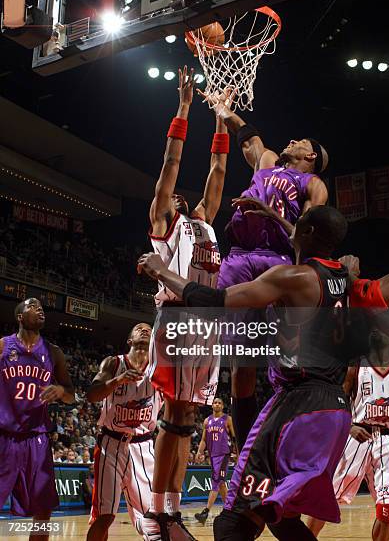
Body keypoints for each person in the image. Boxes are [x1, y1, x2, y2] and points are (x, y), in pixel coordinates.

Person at [139, 205, 353, 540]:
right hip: (336, 409)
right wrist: (271, 212)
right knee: (280, 519)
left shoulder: (292, 279)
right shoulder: (346, 278)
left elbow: (214, 297)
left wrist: (160, 271)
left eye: (296, 224)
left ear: (308, 233)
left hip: (300, 403)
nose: (290, 227)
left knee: (233, 522)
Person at [197, 89, 329, 450]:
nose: (291, 140)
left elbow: (307, 239)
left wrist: (269, 212)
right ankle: (248, 453)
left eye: (300, 141)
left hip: (279, 261)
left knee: (283, 366)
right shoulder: (268, 161)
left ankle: (286, 442)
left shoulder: (312, 185)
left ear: (311, 156)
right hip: (240, 257)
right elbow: (248, 136)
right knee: (241, 366)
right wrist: (224, 111)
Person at [140, 66, 229, 540]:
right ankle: (157, 514)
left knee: (188, 420)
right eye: (170, 192)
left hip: (207, 326)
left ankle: (171, 510)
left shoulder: (207, 222)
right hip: (176, 321)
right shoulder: (163, 222)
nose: (175, 192)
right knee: (173, 417)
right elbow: (170, 165)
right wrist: (184, 107)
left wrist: (220, 119)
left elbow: (217, 170)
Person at [307, 328, 389, 541]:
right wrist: (349, 426)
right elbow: (338, 402)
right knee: (328, 499)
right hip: (357, 437)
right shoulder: (356, 365)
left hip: (388, 440)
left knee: (388, 507)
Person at [0, 298, 75, 541]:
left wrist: (62, 391)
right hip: (4, 435)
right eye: (32, 306)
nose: (40, 308)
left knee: (43, 510)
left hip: (37, 437)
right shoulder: (3, 346)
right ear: (19, 316)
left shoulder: (54, 352)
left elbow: (71, 395)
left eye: (42, 307)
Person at [86, 323, 163, 541]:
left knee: (153, 516)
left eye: (149, 328)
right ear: (129, 340)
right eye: (139, 328)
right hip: (111, 445)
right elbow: (92, 394)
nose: (144, 329)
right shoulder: (113, 363)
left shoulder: (160, 370)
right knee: (105, 516)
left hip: (144, 446)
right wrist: (118, 380)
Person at [194, 397, 237, 525]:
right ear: (212, 405)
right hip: (213, 456)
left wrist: (238, 453)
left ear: (222, 406)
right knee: (221, 484)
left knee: (216, 481)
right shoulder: (207, 421)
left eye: (219, 403)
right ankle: (230, 510)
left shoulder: (227, 419)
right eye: (215, 402)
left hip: (224, 454)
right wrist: (199, 452)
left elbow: (234, 437)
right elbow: (203, 440)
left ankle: (205, 512)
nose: (217, 404)